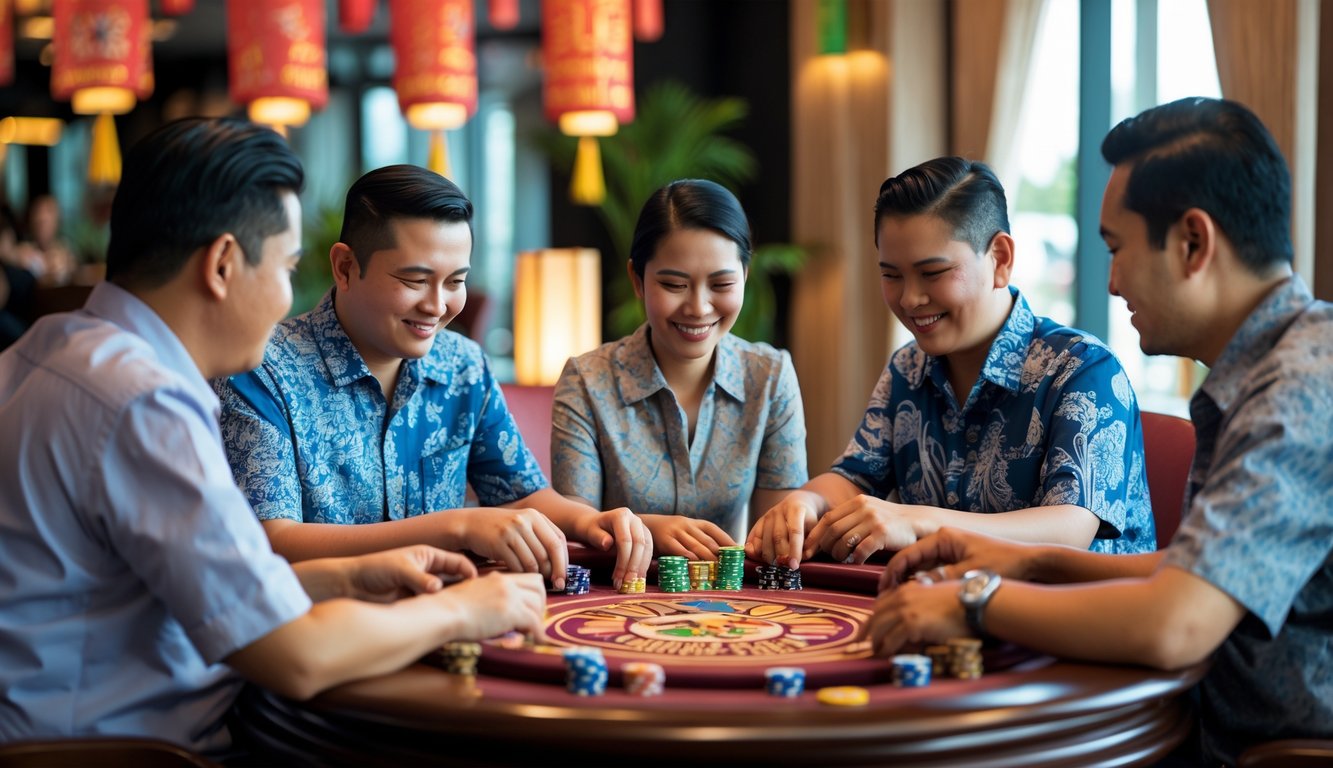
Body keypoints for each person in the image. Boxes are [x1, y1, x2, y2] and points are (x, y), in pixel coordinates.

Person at [0, 118, 546, 756]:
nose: (290, 297)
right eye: (287, 267)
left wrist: (353, 577)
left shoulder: (41, 352)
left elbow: (200, 590)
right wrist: (467, 610)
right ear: (223, 264)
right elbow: (298, 658)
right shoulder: (145, 404)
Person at [860, 97, 1332, 766]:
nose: (1110, 283)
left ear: (1192, 243)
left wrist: (974, 601)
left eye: (1117, 248)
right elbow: (1202, 570)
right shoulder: (1273, 373)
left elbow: (1175, 624)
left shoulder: (1301, 393)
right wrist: (1032, 563)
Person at [216, 164, 652, 590]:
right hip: (325, 625)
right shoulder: (261, 370)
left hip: (448, 616)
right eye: (415, 280)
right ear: (345, 266)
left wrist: (593, 523)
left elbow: (519, 494)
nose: (437, 306)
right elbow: (274, 540)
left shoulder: (463, 364)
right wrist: (457, 527)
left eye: (455, 282)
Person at [748, 157, 1154, 569]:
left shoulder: (1083, 369)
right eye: (891, 275)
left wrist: (917, 521)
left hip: (1070, 606)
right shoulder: (908, 368)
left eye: (933, 273)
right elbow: (855, 479)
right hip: (944, 600)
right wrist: (808, 500)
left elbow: (1070, 529)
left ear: (1000, 258)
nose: (909, 299)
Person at [551, 179, 808, 558]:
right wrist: (647, 530)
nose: (698, 308)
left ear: (745, 277)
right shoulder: (587, 381)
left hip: (731, 592)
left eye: (721, 284)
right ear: (637, 280)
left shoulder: (769, 377)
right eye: (674, 284)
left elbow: (778, 539)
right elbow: (573, 533)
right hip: (615, 587)